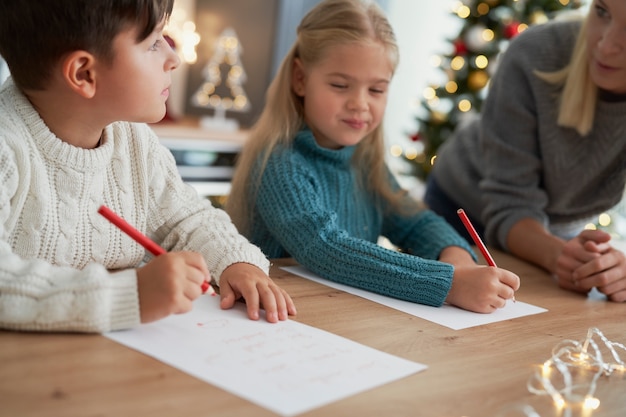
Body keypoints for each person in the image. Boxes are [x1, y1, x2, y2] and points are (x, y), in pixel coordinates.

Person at [0, 0, 296, 333]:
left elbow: (187, 219)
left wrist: (235, 260)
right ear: (84, 73)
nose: (174, 58)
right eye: (153, 43)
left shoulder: (134, 140)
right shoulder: (7, 146)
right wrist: (129, 296)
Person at [227, 0, 519, 313]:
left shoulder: (365, 162)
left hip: (346, 319)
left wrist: (456, 257)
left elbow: (416, 222)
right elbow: (325, 248)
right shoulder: (279, 162)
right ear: (300, 79)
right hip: (287, 325)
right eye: (340, 85)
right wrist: (447, 283)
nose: (359, 104)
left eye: (376, 90)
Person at [424, 0, 626, 302]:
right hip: (461, 207)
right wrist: (558, 254)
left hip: (554, 233)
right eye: (601, 11)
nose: (607, 46)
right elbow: (511, 204)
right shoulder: (536, 52)